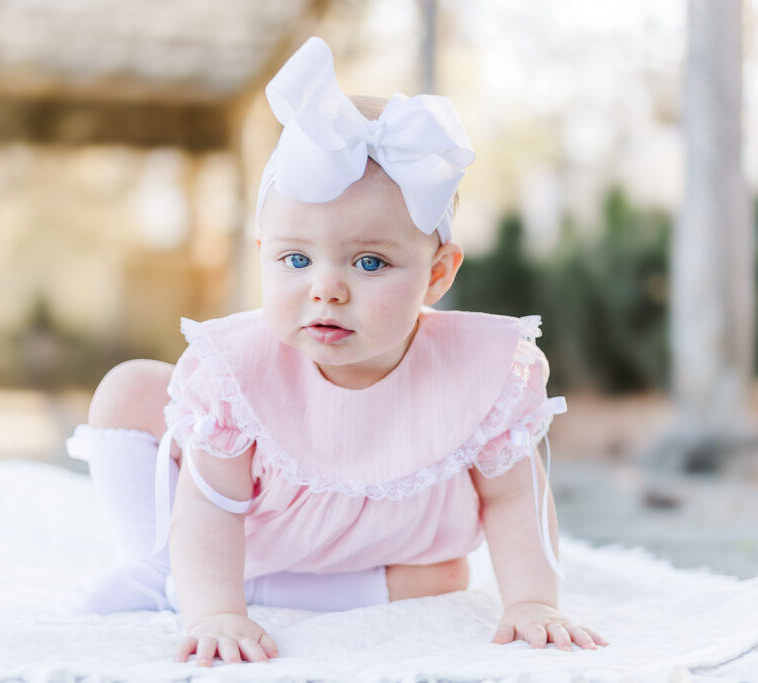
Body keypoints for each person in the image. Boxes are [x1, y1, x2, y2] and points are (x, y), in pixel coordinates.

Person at [64, 36, 607, 667]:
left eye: (370, 262)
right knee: (130, 388)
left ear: (436, 276)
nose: (326, 288)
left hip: (388, 551)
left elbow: (514, 497)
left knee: (445, 578)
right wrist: (216, 611)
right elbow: (211, 503)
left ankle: (214, 587)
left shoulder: (480, 374)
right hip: (245, 536)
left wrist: (533, 601)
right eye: (295, 259)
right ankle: (168, 573)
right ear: (263, 249)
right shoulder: (241, 375)